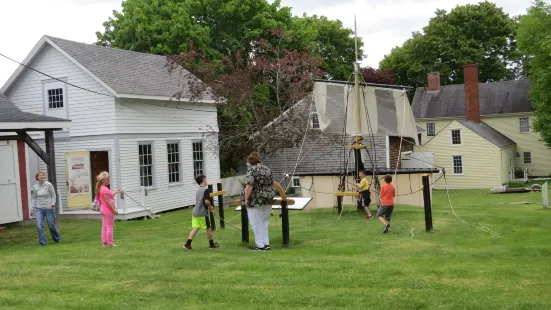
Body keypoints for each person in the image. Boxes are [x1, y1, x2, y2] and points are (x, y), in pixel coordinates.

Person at [243, 152, 275, 251]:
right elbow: (272, 183)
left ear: (249, 161)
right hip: (268, 199)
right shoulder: (267, 169)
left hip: (256, 200)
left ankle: (260, 245)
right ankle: (266, 243)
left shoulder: (252, 170)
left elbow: (249, 185)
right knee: (264, 222)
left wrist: (246, 198)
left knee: (256, 222)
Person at [183, 175, 220, 250]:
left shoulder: (198, 190)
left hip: (195, 212)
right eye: (206, 179)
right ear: (203, 180)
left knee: (195, 228)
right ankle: (212, 245)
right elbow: (206, 201)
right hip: (202, 213)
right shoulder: (205, 190)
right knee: (208, 228)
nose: (207, 180)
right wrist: (211, 207)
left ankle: (187, 245)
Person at [31, 171, 61, 246]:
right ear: (37, 177)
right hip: (39, 208)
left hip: (49, 208)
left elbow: (53, 195)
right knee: (39, 226)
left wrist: (52, 204)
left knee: (51, 225)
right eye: (40, 176)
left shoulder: (48, 185)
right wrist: (32, 208)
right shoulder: (35, 187)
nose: (42, 177)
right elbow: (34, 198)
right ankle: (42, 243)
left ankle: (56, 238)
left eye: (43, 175)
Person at [96, 171, 121, 247]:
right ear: (103, 180)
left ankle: (105, 242)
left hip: (103, 209)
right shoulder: (105, 189)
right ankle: (110, 243)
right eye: (107, 179)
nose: (109, 180)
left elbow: (108, 197)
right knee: (110, 226)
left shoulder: (103, 188)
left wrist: (115, 192)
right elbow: (107, 202)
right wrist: (114, 210)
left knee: (104, 226)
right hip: (107, 210)